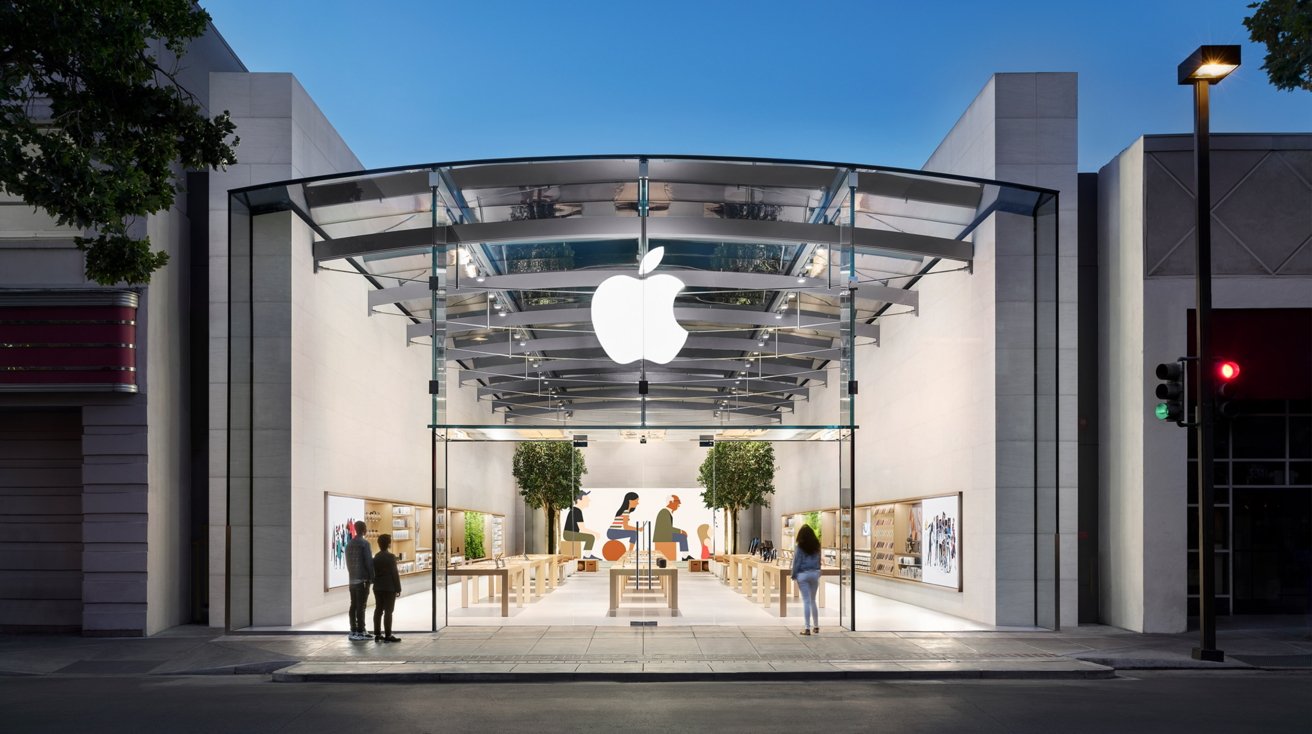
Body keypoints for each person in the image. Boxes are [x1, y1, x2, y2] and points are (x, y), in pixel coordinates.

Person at [345, 519, 375, 641]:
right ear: (364, 530)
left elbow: (347, 564)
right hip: (362, 580)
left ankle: (353, 630)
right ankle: (361, 630)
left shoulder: (349, 544)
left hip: (352, 579)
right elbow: (368, 562)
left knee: (353, 605)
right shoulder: (365, 544)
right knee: (361, 606)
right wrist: (372, 577)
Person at [791, 524, 822, 636]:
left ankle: (807, 628)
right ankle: (817, 626)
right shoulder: (816, 546)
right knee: (813, 600)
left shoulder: (799, 547)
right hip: (814, 574)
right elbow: (819, 561)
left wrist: (794, 575)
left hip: (803, 575)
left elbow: (797, 562)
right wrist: (818, 571)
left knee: (806, 601)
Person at [372, 533, 402, 643]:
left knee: (378, 610)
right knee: (388, 611)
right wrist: (398, 588)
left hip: (378, 587)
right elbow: (395, 573)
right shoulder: (391, 557)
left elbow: (373, 573)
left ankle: (377, 634)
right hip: (389, 588)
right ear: (389, 544)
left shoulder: (376, 557)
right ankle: (388, 635)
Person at [562, 491, 601, 560]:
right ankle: (587, 556)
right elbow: (582, 529)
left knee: (590, 537)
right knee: (590, 537)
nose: (589, 500)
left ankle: (587, 555)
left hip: (571, 533)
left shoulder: (576, 510)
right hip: (569, 534)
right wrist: (595, 533)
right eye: (586, 499)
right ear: (579, 500)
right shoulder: (577, 511)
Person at [653, 495, 693, 561]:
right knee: (682, 537)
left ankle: (685, 556)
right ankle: (685, 557)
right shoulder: (664, 512)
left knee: (682, 536)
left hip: (664, 535)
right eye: (677, 502)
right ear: (671, 502)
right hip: (662, 536)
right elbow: (668, 528)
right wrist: (681, 531)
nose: (678, 505)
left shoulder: (667, 512)